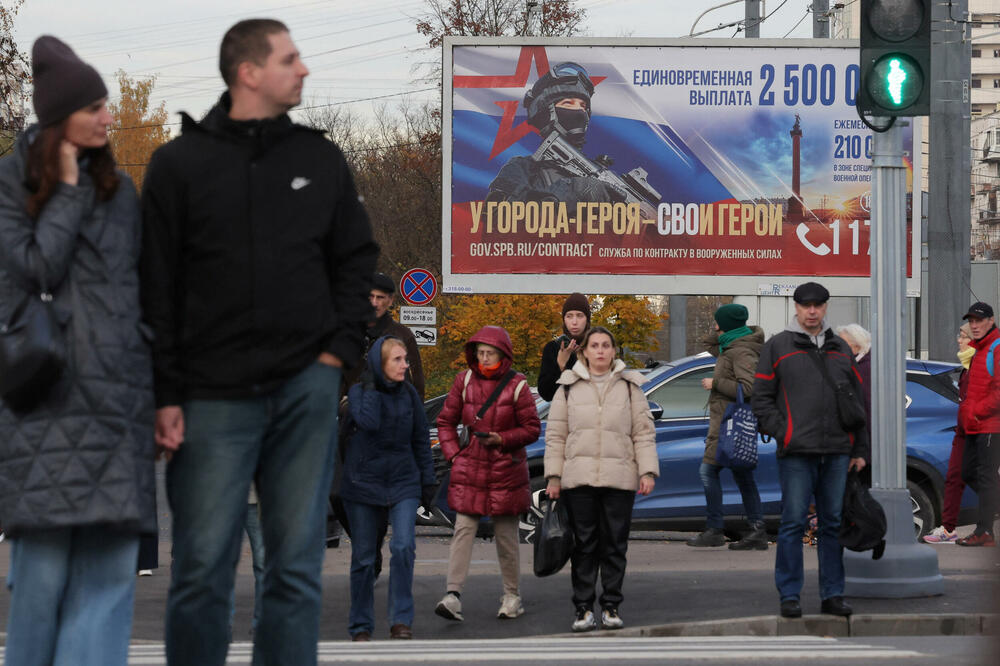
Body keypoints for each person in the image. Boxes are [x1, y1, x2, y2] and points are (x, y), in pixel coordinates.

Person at [140, 19, 378, 666]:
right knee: (200, 572)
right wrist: (164, 393)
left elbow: (356, 261)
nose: (304, 69)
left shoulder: (319, 158)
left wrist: (336, 358)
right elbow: (154, 287)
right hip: (209, 396)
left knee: (295, 572)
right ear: (249, 72)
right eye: (290, 59)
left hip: (305, 387)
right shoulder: (177, 165)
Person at [0, 36, 156, 665]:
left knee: (111, 586)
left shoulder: (121, 193)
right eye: (94, 107)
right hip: (44, 407)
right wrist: (64, 193)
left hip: (118, 406)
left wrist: (160, 397)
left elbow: (143, 297)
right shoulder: (12, 182)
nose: (109, 117)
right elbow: (33, 269)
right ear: (59, 115)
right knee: (39, 585)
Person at [751, 281, 869, 619]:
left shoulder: (840, 348)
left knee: (831, 524)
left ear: (826, 307)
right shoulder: (777, 346)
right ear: (797, 307)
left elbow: (856, 403)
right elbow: (761, 399)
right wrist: (784, 433)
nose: (812, 311)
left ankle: (833, 594)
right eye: (806, 305)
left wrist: (860, 448)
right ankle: (790, 595)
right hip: (797, 452)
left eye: (818, 305)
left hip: (836, 451)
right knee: (792, 524)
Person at [544, 326, 657, 632]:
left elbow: (643, 433)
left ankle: (611, 605)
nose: (600, 351)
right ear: (584, 351)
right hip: (578, 481)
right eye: (594, 345)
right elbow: (555, 436)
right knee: (584, 546)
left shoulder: (630, 387)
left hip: (618, 481)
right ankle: (583, 608)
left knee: (614, 545)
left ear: (613, 351)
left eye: (606, 345)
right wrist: (554, 477)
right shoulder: (567, 387)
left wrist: (646, 471)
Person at [434, 326, 540, 622]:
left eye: (489, 353)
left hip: (506, 470)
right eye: (479, 353)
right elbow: (445, 421)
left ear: (502, 354)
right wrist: (454, 454)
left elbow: (532, 429)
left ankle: (512, 595)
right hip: (472, 469)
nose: (483, 358)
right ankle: (452, 595)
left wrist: (503, 439)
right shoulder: (464, 380)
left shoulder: (517, 385)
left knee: (506, 537)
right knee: (463, 530)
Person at [340, 336, 436, 641]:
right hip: (364, 482)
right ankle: (360, 625)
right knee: (365, 558)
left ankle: (400, 620)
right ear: (379, 364)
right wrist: (371, 388)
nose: (405, 365)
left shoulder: (409, 395)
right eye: (397, 360)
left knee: (403, 546)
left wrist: (427, 481)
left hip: (403, 480)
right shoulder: (358, 392)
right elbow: (362, 425)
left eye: (405, 359)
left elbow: (421, 439)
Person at [485, 62, 622, 207]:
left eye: (583, 106)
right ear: (546, 112)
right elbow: (496, 219)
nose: (580, 112)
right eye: (568, 103)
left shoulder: (602, 179)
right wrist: (566, 195)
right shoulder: (522, 169)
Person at [687, 304, 767, 550]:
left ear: (728, 327)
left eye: (717, 323)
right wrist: (722, 328)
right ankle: (755, 530)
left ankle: (715, 530)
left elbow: (751, 388)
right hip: (723, 425)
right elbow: (707, 342)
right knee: (742, 476)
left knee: (708, 472)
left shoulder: (740, 352)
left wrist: (716, 383)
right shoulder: (729, 346)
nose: (715, 328)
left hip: (729, 426)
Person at [923, 323, 974, 544]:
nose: (958, 340)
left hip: (980, 431)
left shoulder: (983, 366)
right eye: (959, 336)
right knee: (954, 478)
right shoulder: (965, 368)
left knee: (983, 479)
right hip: (962, 431)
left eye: (963, 337)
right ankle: (948, 528)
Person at [956, 302, 1000, 547]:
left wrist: (975, 412)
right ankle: (985, 526)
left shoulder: (996, 347)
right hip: (976, 426)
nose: (974, 325)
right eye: (970, 321)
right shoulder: (979, 349)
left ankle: (984, 531)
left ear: (991, 321)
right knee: (969, 473)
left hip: (991, 425)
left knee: (986, 478)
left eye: (978, 320)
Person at [344, 272, 425, 400]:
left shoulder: (403, 335)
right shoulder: (348, 333)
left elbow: (417, 383)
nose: (374, 303)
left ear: (390, 300)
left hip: (392, 414)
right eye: (370, 297)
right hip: (351, 413)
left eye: (380, 297)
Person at [537, 293, 591, 402]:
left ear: (587, 319)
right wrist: (560, 365)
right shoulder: (553, 348)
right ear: (564, 319)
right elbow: (547, 394)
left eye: (579, 315)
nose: (574, 322)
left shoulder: (598, 347)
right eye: (569, 316)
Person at [835, 324, 872, 424]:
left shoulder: (865, 369)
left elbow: (866, 406)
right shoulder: (856, 364)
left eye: (842, 344)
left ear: (857, 346)